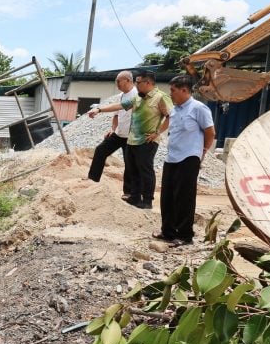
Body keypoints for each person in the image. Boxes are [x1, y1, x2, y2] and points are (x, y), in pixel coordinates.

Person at [89, 69, 171, 209]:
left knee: (145, 170)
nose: (136, 85)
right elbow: (120, 106)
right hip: (132, 139)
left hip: (147, 141)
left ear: (148, 82)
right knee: (132, 169)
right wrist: (99, 109)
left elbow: (170, 116)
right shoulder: (137, 97)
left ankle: (147, 200)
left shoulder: (161, 97)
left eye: (138, 82)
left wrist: (157, 133)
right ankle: (134, 197)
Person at [155, 74, 216, 246]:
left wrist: (202, 151)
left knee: (184, 198)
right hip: (172, 157)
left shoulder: (199, 108)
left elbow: (210, 132)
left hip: (189, 157)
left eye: (173, 91)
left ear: (184, 90)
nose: (171, 94)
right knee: (167, 197)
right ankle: (167, 232)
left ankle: (184, 235)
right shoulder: (175, 110)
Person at [86, 71, 136, 200]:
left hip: (131, 136)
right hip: (119, 133)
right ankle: (92, 180)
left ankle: (129, 192)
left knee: (129, 164)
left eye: (118, 81)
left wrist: (99, 109)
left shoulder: (136, 95)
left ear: (127, 80)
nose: (117, 84)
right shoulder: (121, 96)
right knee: (100, 150)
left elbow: (119, 107)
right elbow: (116, 114)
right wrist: (113, 129)